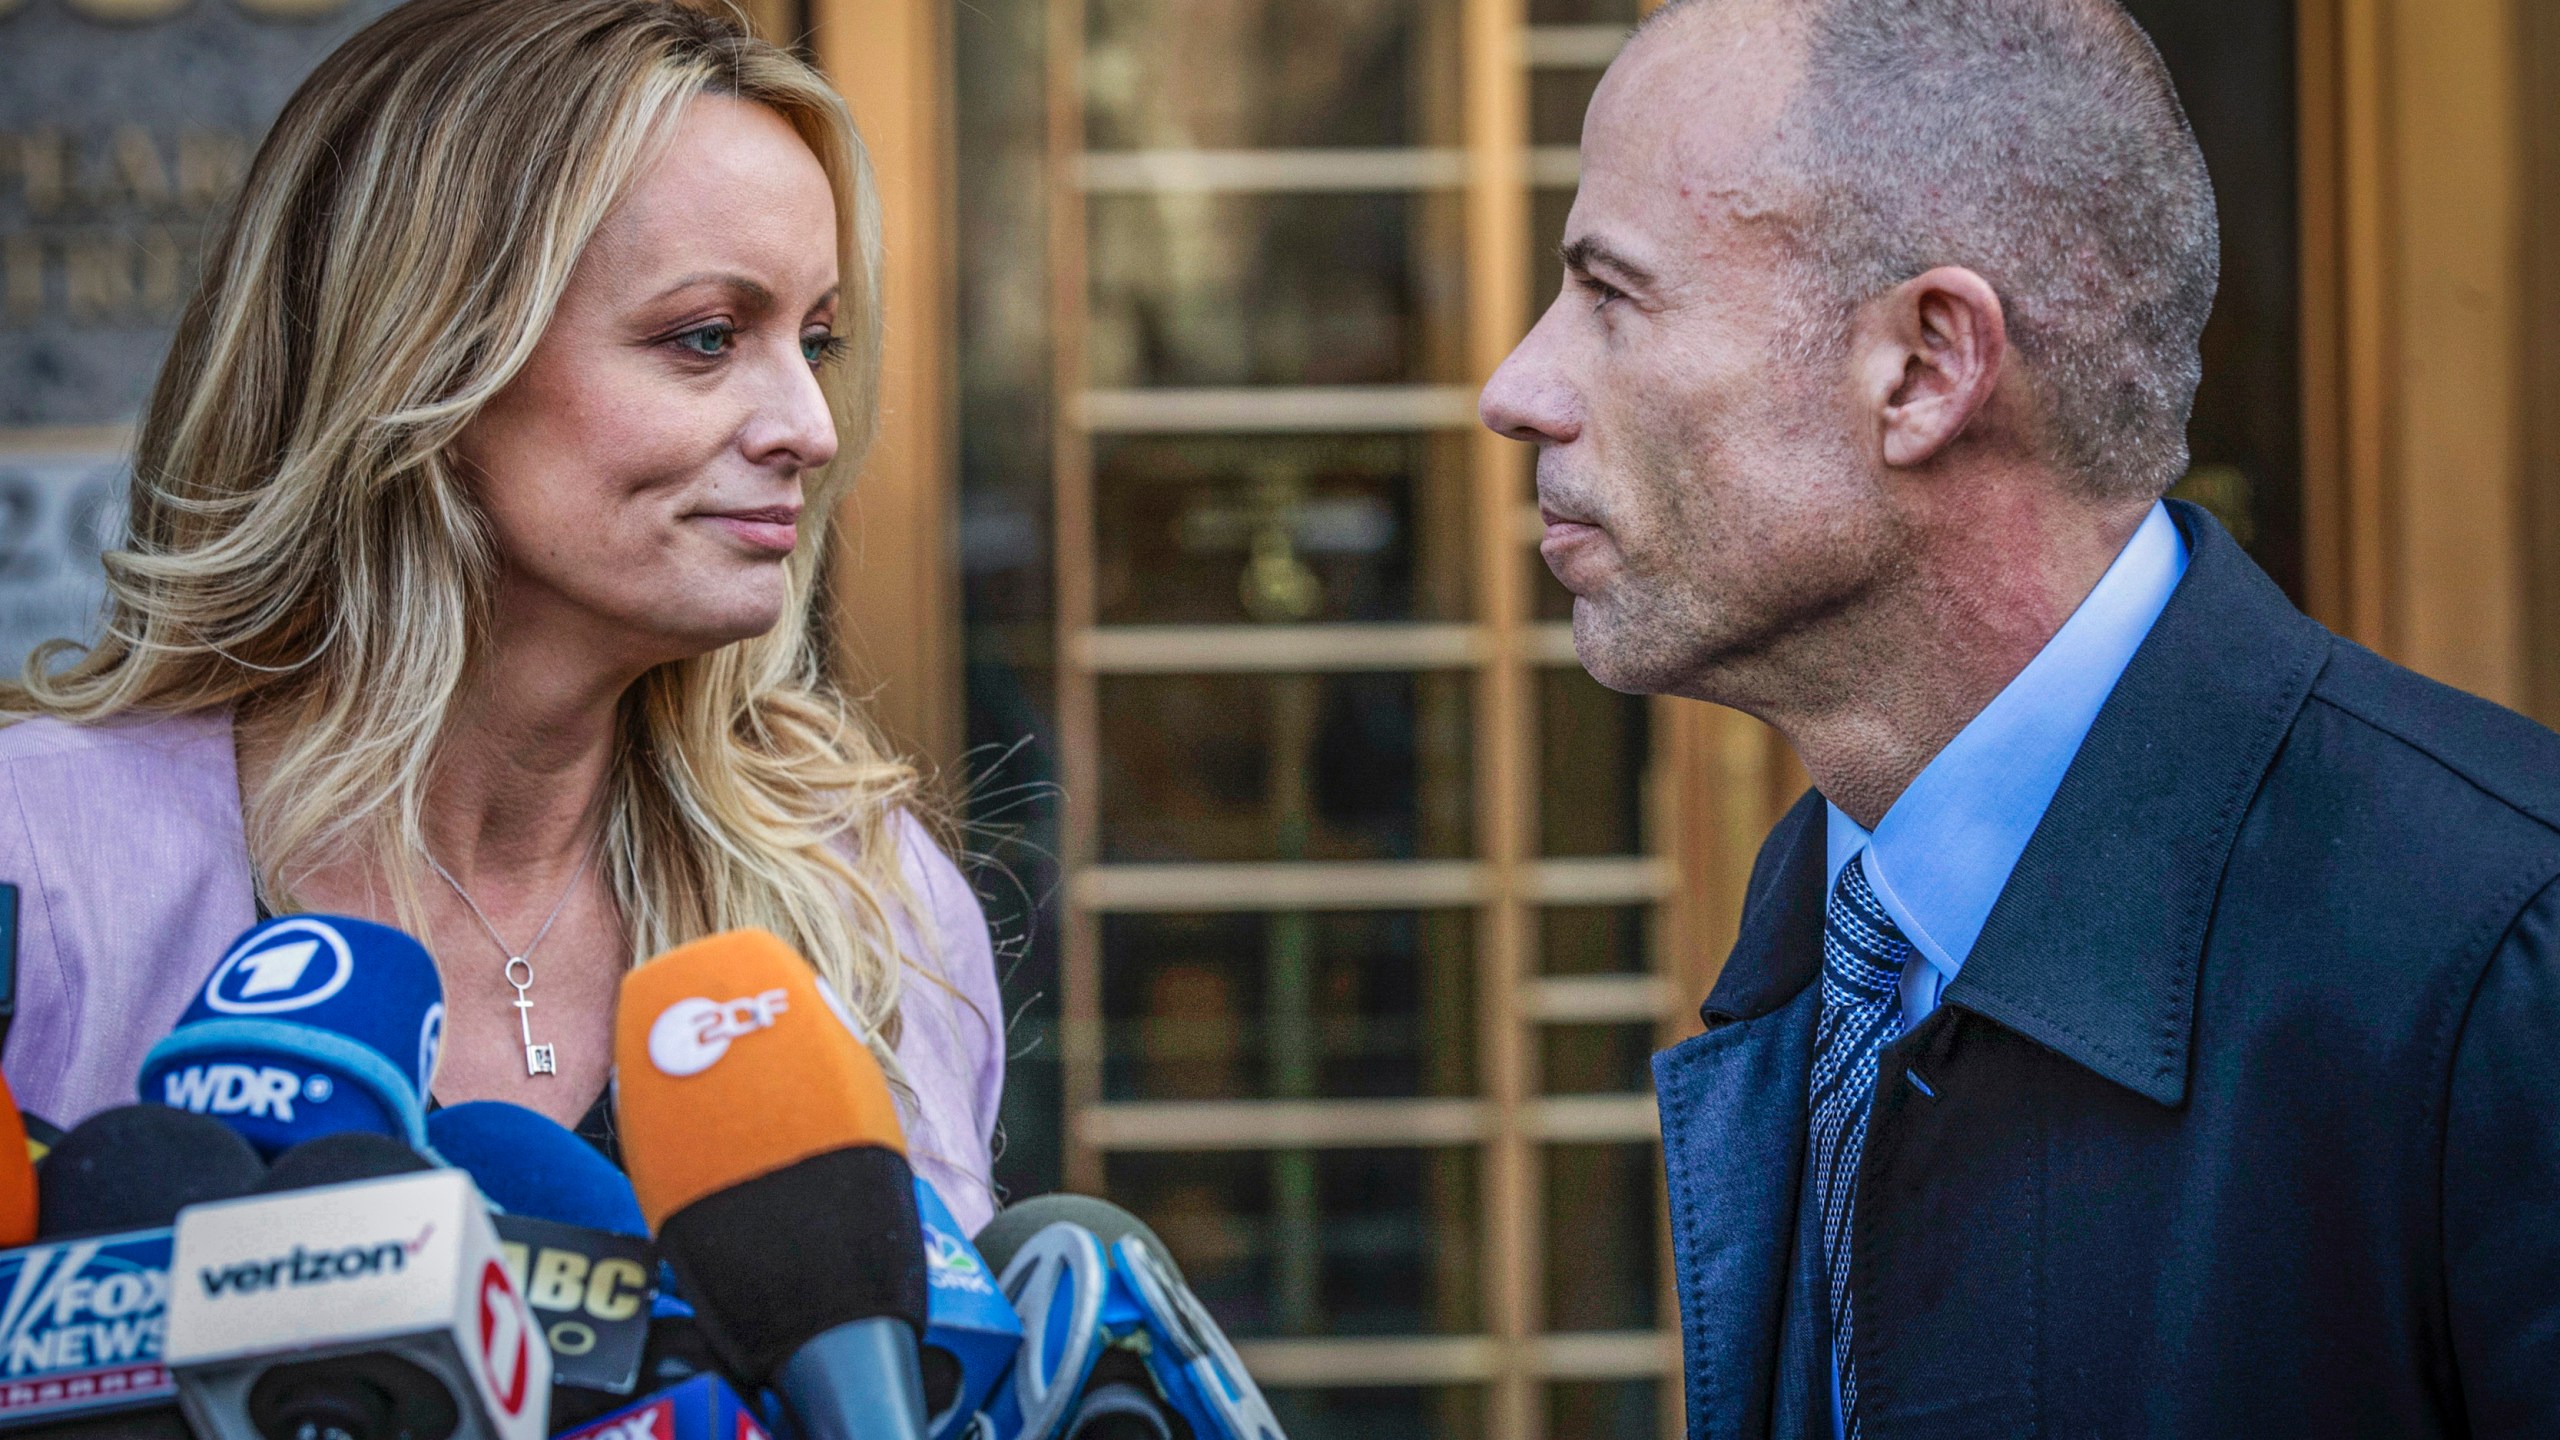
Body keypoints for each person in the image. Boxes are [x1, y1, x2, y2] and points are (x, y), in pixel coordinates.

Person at [1481, 0, 2560, 1435]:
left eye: (1612, 296)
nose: (1518, 388)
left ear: (1928, 368)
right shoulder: (1839, 915)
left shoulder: (2500, 956)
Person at [0, 0, 1004, 1230]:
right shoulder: (43, 864)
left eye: (819, 339)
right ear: (424, 361)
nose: (811, 427)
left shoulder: (866, 895)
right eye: (703, 338)